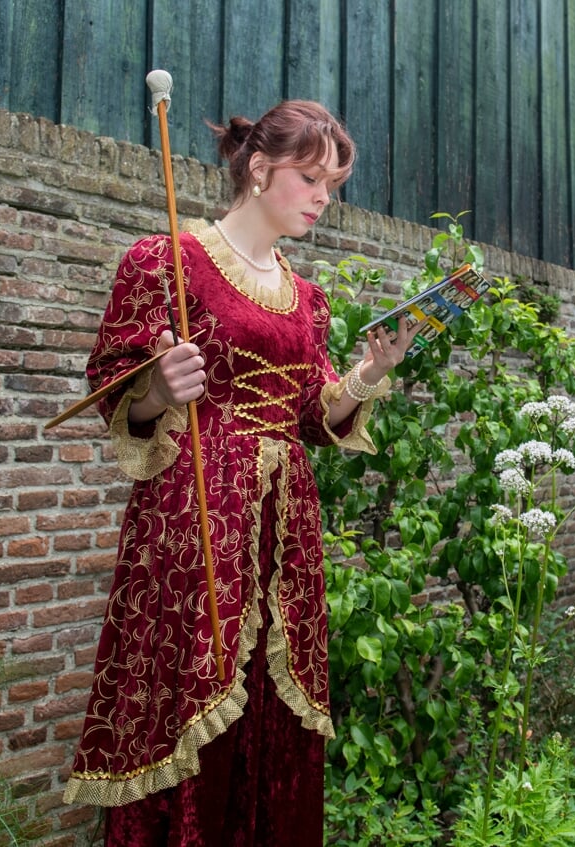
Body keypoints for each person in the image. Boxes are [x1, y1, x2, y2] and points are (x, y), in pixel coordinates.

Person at [63, 100, 419, 844]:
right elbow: (111, 391)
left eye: (333, 182)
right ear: (259, 169)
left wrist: (366, 373)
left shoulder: (307, 298)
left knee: (270, 714)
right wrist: (160, 387)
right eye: (310, 176)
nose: (324, 195)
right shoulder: (163, 261)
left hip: (282, 533)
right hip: (193, 522)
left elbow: (312, 420)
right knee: (187, 699)